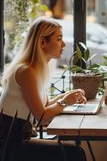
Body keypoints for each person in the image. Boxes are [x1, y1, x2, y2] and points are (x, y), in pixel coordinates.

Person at [0, 17, 87, 161]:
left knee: (74, 151)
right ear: (42, 42)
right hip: (10, 145)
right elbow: (42, 117)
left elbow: (45, 106)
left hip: (21, 138)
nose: (63, 44)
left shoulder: (37, 69)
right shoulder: (26, 71)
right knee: (75, 153)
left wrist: (69, 96)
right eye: (59, 39)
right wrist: (65, 102)